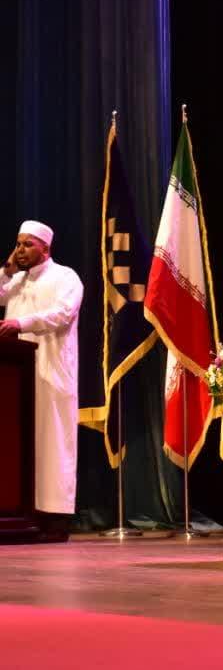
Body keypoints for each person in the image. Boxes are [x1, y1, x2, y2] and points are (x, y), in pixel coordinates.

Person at [0, 221, 84, 541]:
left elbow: (62, 314)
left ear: (45, 248)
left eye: (27, 245)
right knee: (19, 444)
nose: (20, 250)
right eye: (17, 244)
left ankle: (55, 520)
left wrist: (20, 323)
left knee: (54, 445)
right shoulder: (16, 281)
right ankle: (22, 513)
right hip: (17, 379)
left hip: (52, 373)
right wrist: (7, 270)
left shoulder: (65, 277)